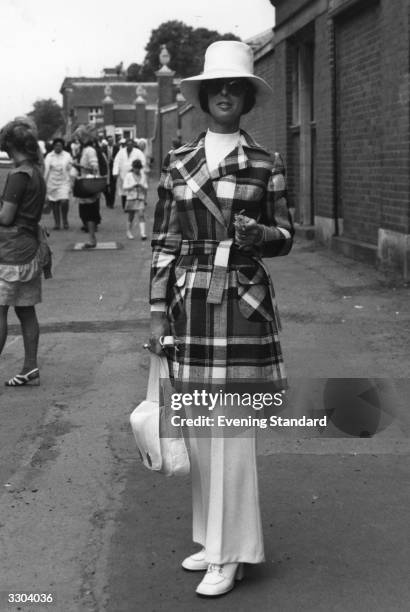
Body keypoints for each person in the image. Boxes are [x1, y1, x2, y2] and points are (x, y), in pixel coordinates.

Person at [148, 41, 294, 597]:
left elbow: (286, 236)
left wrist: (263, 237)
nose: (227, 94)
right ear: (205, 96)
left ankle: (232, 553)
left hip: (242, 301)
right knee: (200, 427)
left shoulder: (265, 162)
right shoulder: (178, 163)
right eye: (219, 86)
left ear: (247, 98)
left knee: (231, 431)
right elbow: (164, 243)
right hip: (189, 301)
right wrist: (158, 314)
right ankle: (213, 539)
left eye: (237, 86)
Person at [0, 117, 47, 386]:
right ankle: (30, 367)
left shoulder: (18, 175)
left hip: (10, 251)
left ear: (9, 146)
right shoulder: (35, 172)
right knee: (26, 311)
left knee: (0, 310)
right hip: (29, 249)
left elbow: (6, 217)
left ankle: (29, 369)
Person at [72, 127, 101, 248]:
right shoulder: (83, 150)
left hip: (89, 184)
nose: (77, 140)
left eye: (79, 138)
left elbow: (95, 168)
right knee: (86, 212)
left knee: (88, 213)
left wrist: (79, 166)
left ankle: (92, 239)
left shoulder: (89, 151)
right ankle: (92, 238)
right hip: (85, 184)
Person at [44, 137, 73, 230]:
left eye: (60, 145)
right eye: (56, 145)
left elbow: (71, 168)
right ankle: (57, 223)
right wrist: (43, 183)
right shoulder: (49, 156)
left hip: (64, 181)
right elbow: (45, 170)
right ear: (53, 146)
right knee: (54, 203)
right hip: (52, 182)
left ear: (62, 146)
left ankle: (65, 220)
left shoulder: (67, 155)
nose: (58, 147)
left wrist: (71, 172)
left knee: (64, 201)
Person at [112, 138, 145, 210]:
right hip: (122, 175)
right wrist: (115, 172)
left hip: (134, 175)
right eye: (128, 144)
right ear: (126, 145)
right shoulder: (121, 152)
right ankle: (125, 207)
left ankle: (134, 206)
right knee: (124, 191)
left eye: (131, 144)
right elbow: (116, 162)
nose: (129, 146)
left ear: (133, 145)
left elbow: (143, 162)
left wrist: (136, 169)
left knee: (132, 190)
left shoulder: (138, 152)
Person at [122, 159, 148, 240]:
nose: (137, 170)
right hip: (131, 198)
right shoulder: (128, 176)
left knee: (141, 214)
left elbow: (146, 187)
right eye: (135, 168)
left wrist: (141, 186)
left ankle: (143, 233)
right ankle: (128, 232)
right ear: (133, 168)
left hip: (140, 198)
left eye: (138, 168)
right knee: (131, 216)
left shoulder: (143, 175)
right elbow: (125, 187)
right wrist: (133, 185)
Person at [105, 135, 119, 208]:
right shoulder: (104, 148)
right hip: (106, 170)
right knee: (106, 188)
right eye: (109, 140)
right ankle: (108, 201)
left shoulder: (116, 148)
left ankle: (111, 203)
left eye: (112, 140)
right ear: (107, 141)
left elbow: (118, 158)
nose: (111, 142)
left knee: (113, 187)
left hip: (113, 170)